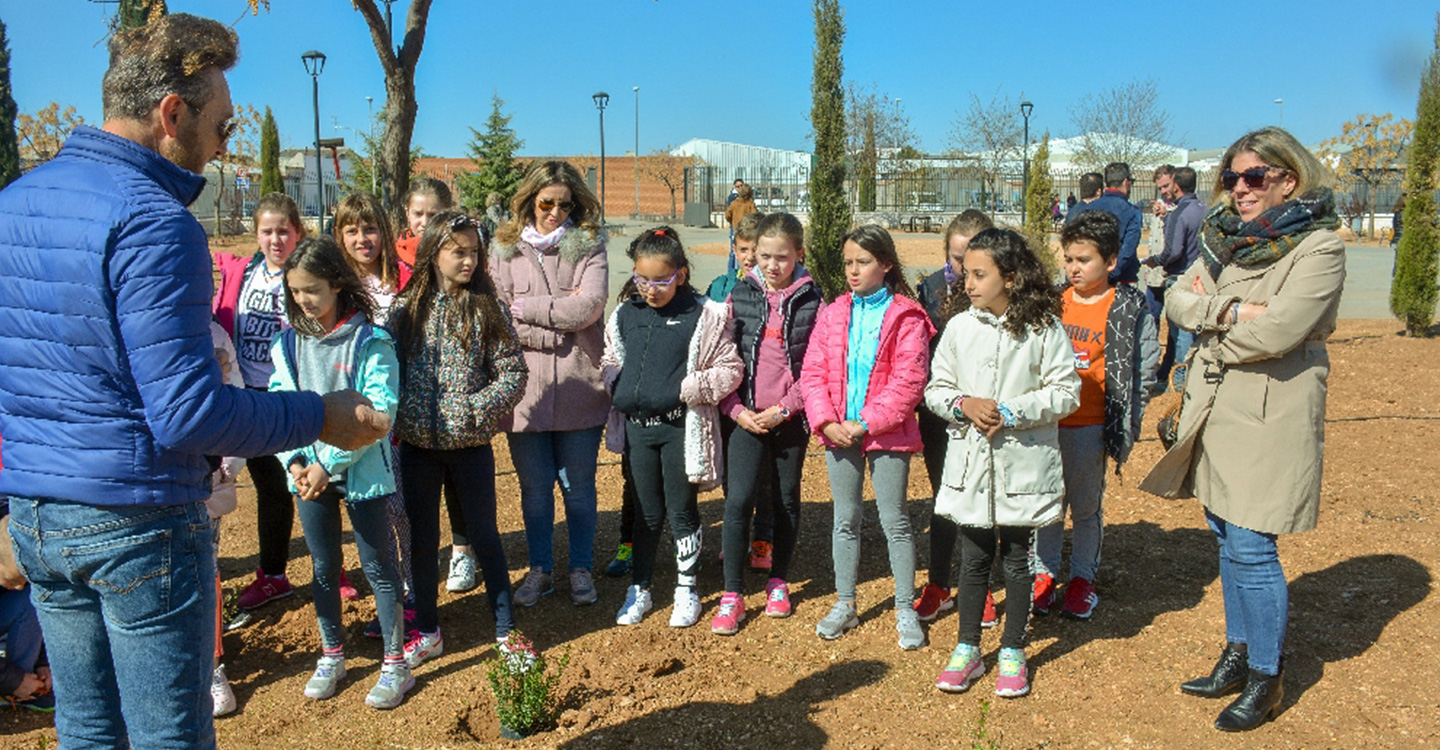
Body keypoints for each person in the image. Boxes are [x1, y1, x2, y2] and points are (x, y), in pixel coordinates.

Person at [0, 15, 387, 749]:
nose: (223, 145)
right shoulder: (153, 220)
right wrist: (320, 415)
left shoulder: (15, 203)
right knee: (169, 734)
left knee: (85, 727)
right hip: (135, 521)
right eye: (220, 125)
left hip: (40, 518)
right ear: (171, 114)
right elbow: (185, 413)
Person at [1141, 127, 1345, 732]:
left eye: (1255, 177)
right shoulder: (1224, 237)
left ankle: (1266, 674)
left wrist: (1213, 320)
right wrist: (1230, 311)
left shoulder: (1319, 248)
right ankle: (1235, 652)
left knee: (1254, 546)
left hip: (1268, 412)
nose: (1241, 188)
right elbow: (1176, 297)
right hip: (1214, 406)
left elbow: (1277, 334)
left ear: (1290, 177)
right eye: (1232, 177)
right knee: (1225, 531)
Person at [924, 228, 1080, 698]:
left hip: (1023, 466)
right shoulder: (959, 327)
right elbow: (936, 389)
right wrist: (964, 405)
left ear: (1010, 278)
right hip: (972, 464)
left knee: (1016, 558)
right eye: (965, 272)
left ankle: (1013, 649)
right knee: (972, 559)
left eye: (979, 274)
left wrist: (1012, 412)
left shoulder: (1044, 329)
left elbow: (1066, 391)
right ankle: (968, 647)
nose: (967, 282)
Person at [270, 237, 411, 709]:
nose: (302, 301)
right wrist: (294, 464)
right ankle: (333, 655)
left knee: (379, 568)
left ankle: (396, 663)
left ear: (336, 284)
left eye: (310, 290)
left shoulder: (371, 340)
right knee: (325, 567)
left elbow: (376, 413)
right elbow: (281, 406)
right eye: (294, 292)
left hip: (361, 473)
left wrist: (324, 467)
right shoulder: (288, 344)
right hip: (308, 478)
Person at [392, 212, 528, 669]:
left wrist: (475, 407)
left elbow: (513, 373)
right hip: (416, 448)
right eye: (458, 251)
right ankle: (428, 630)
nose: (469, 260)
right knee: (422, 539)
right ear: (433, 254)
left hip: (470, 447)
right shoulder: (405, 310)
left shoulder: (489, 308)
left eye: (475, 252)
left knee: (485, 536)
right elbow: (388, 372)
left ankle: (507, 631)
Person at [799, 225, 934, 649]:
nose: (852, 271)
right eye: (847, 263)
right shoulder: (833, 312)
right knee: (846, 519)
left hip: (886, 433)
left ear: (886, 264)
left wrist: (865, 423)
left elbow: (909, 381)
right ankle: (845, 602)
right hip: (839, 432)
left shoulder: (907, 316)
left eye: (862, 262)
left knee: (895, 521)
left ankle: (905, 607)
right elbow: (813, 373)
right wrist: (825, 421)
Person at [602, 227, 742, 628]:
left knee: (681, 510)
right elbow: (610, 358)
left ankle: (687, 588)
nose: (650, 289)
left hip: (681, 429)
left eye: (661, 281)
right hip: (638, 432)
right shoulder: (626, 314)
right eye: (642, 279)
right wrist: (616, 384)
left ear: (680, 274)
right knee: (646, 513)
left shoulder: (702, 315)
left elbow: (729, 369)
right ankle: (640, 589)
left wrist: (690, 388)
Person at [491, 161, 611, 608]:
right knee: (535, 491)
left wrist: (528, 309)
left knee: (578, 487)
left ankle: (580, 566)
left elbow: (589, 308)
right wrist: (553, 324)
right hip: (526, 396)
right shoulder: (503, 249)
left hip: (581, 387)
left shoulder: (590, 246)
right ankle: (540, 568)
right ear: (529, 200)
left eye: (565, 204)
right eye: (546, 203)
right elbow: (498, 317)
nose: (555, 212)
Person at [1031, 212, 1157, 620]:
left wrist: (1128, 424)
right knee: (1048, 503)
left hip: (1091, 426)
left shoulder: (1127, 307)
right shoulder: (1051, 302)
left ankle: (1083, 578)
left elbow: (1143, 368)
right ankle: (1043, 574)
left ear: (1111, 261)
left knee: (1084, 506)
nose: (1073, 268)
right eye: (1068, 258)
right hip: (1047, 423)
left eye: (1083, 260)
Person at [710, 213, 824, 635]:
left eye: (782, 257)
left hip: (788, 420)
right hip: (744, 418)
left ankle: (778, 581)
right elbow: (719, 359)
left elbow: (816, 368)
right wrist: (737, 410)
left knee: (785, 500)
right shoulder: (737, 297)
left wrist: (784, 409)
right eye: (764, 256)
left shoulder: (814, 303)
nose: (773, 265)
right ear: (752, 254)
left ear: (799, 254)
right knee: (738, 500)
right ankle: (733, 593)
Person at [215, 193, 314, 610]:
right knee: (270, 488)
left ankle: (334, 566)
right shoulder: (246, 272)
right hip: (248, 397)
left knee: (313, 483)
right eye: (267, 231)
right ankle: (273, 574)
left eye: (284, 231)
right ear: (256, 234)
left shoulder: (307, 275)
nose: (276, 239)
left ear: (298, 232)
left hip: (291, 395)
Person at [913, 210, 996, 626]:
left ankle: (978, 589)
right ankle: (939, 584)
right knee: (944, 498)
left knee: (980, 501)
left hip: (985, 413)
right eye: (957, 255)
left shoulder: (1000, 291)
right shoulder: (929, 289)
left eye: (972, 255)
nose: (963, 266)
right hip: (940, 412)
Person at [704, 209, 777, 569]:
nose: (750, 257)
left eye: (755, 250)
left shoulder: (776, 287)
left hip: (766, 394)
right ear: (734, 249)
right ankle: (736, 536)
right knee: (734, 472)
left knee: (766, 474)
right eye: (743, 249)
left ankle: (763, 539)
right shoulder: (719, 287)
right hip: (728, 396)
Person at [206, 321, 245, 718]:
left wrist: (228, 467)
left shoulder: (216, 337)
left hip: (206, 482)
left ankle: (214, 667)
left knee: (208, 573)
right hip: (151, 485)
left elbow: (236, 399)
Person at [1144, 166, 1205, 387]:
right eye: (1159, 187)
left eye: (1166, 186)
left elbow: (1174, 250)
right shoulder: (1203, 209)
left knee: (1181, 335)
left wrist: (1157, 261)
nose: (1163, 191)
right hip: (1192, 277)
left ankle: (1181, 383)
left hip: (1178, 276)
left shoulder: (1180, 212)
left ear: (1176, 184)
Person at [334, 192, 412, 325]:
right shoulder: (335, 282)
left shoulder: (406, 278)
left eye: (370, 230)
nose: (362, 239)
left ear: (383, 231)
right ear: (340, 236)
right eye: (352, 231)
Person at [1068, 162, 1141, 284]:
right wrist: (1110, 275)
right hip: (1121, 278)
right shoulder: (1132, 212)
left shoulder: (1087, 209)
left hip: (1090, 277)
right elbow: (1128, 250)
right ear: (1125, 182)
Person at [396, 177, 454, 273]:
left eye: (433, 215)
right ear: (407, 213)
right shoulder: (393, 257)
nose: (425, 223)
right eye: (418, 214)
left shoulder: (461, 255)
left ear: (448, 214)